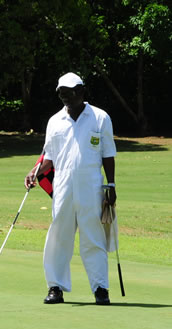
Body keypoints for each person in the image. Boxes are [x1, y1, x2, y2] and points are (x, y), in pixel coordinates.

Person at [25, 72, 117, 305]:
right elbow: (49, 156)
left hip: (91, 185)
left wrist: (111, 184)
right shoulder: (55, 121)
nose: (65, 97)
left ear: (81, 91)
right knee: (59, 236)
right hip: (63, 185)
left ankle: (100, 288)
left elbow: (108, 153)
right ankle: (55, 287)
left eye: (69, 92)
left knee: (93, 237)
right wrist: (34, 171)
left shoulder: (100, 117)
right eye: (61, 93)